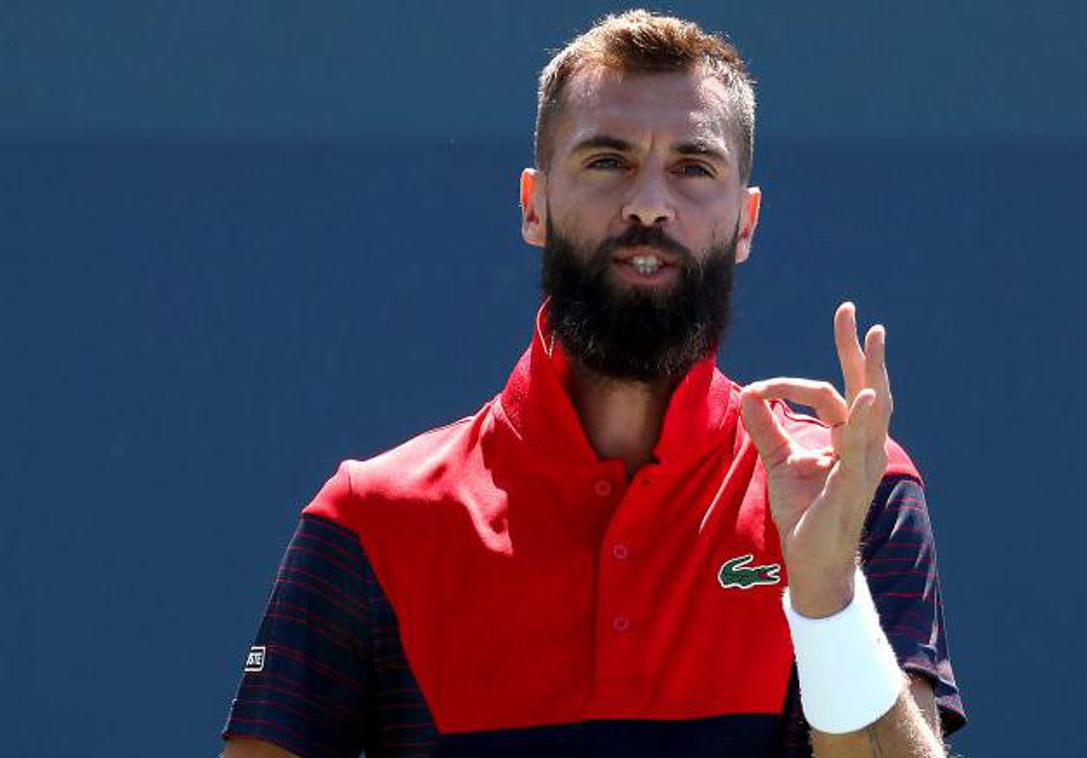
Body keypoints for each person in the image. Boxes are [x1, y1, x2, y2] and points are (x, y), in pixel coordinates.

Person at [221, 9, 966, 757]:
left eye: (692, 167)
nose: (649, 203)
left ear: (746, 223)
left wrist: (829, 599)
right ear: (533, 205)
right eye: (607, 161)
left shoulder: (851, 491)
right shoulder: (369, 521)